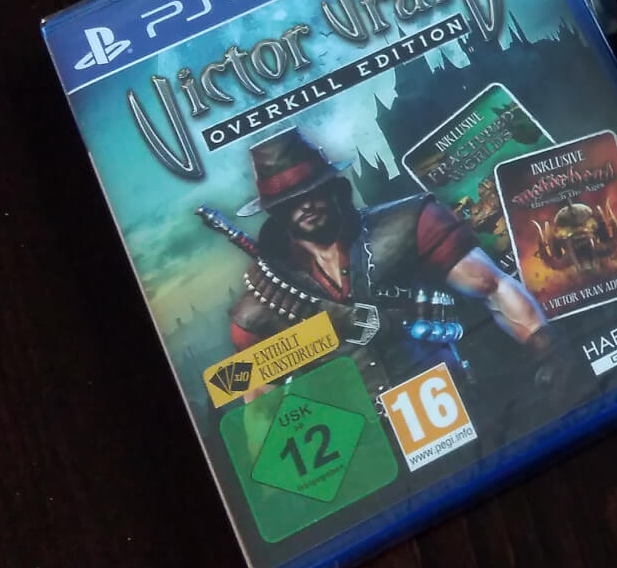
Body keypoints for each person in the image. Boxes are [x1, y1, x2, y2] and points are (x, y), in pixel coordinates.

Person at [223, 130, 551, 395]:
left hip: (456, 401)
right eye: (291, 200)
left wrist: (551, 352)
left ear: (331, 187)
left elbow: (494, 287)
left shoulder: (411, 223)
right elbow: (250, 392)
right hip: (364, 444)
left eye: (312, 191)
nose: (305, 205)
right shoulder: (258, 306)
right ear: (276, 211)